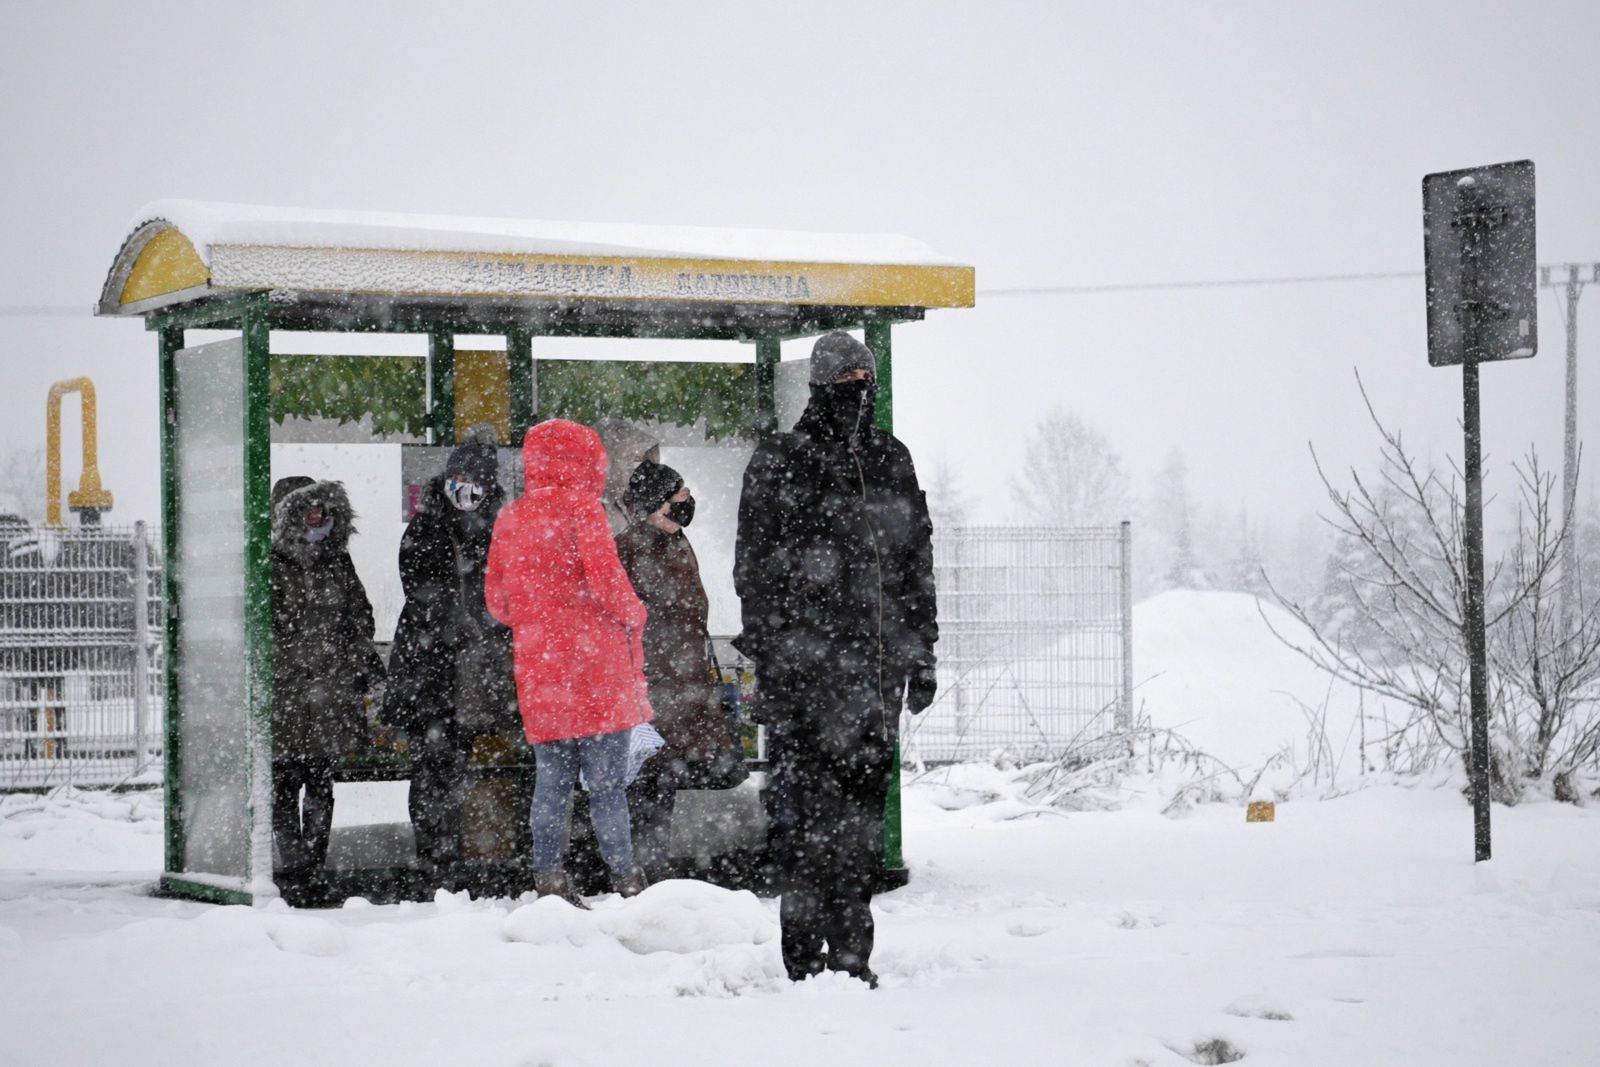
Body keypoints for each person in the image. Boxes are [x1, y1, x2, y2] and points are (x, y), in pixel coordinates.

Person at [733, 331, 939, 986]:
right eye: (844, 382)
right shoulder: (780, 459)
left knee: (859, 826)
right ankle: (802, 959)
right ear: (819, 387)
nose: (857, 392)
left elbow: (916, 562)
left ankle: (853, 959)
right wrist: (771, 660)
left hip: (874, 681)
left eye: (864, 381)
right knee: (801, 822)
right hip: (803, 681)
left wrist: (923, 652)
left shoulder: (890, 457)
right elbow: (752, 570)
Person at [485, 418, 652, 907]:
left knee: (551, 784)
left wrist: (542, 616)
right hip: (596, 668)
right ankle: (626, 878)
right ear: (589, 463)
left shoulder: (510, 517)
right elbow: (609, 584)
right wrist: (635, 612)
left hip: (541, 671)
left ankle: (549, 878)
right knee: (607, 787)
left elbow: (498, 603)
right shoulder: (584, 510)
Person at [382, 428, 516, 889]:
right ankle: (432, 861)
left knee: (454, 768)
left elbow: (503, 591)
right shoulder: (426, 526)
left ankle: (448, 858)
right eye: (459, 478)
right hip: (429, 669)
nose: (466, 488)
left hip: (470, 674)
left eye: (476, 481)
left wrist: (487, 628)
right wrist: (456, 621)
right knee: (430, 767)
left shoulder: (497, 528)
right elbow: (418, 589)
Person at [615, 460, 746, 881]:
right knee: (645, 781)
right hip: (650, 687)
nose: (687, 502)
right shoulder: (630, 548)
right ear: (656, 505)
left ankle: (649, 869)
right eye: (678, 497)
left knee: (662, 781)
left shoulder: (675, 540)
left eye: (686, 493)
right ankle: (640, 871)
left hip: (680, 682)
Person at [270, 476, 384, 897]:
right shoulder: (269, 561)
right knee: (284, 784)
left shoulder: (336, 559)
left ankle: (313, 868)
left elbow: (360, 615)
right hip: (286, 694)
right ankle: (294, 866)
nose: (316, 518)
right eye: (308, 510)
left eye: (322, 511)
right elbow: (260, 626)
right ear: (288, 514)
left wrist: (348, 658)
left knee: (320, 782)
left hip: (329, 692)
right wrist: (292, 657)